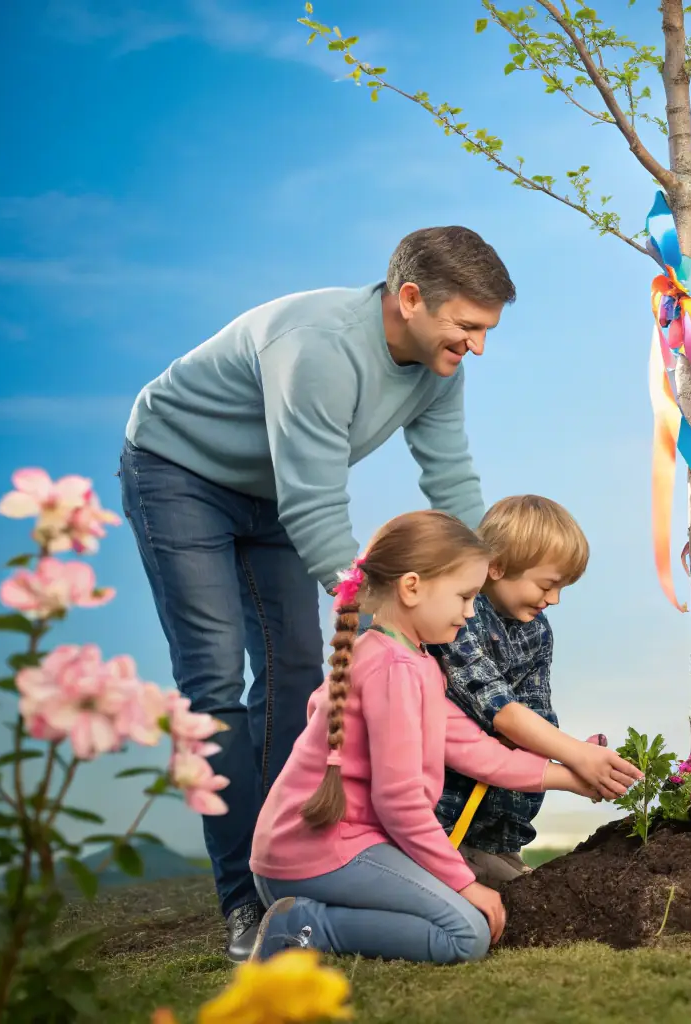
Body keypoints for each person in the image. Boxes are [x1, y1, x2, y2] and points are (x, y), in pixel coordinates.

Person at [119, 227, 514, 960]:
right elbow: (314, 503)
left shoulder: (438, 366)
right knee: (213, 680)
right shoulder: (319, 346)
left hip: (274, 491)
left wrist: (481, 588)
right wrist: (383, 612)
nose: (476, 348)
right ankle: (243, 900)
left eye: (485, 331)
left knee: (298, 673)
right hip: (179, 474)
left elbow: (450, 479)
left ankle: (297, 882)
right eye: (467, 328)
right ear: (409, 299)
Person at [248, 511, 611, 964]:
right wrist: (463, 882)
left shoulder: (414, 662)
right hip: (318, 855)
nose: (468, 612)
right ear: (412, 587)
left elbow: (473, 750)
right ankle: (303, 926)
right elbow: (399, 801)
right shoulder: (393, 668)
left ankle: (318, 913)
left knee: (460, 919)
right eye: (463, 597)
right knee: (466, 935)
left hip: (319, 853)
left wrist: (571, 777)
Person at [428, 495, 643, 890]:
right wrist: (574, 754)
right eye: (548, 585)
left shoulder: (537, 632)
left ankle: (497, 851)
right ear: (496, 567)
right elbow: (501, 710)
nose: (555, 599)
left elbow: (534, 711)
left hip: (499, 808)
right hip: (445, 807)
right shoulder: (460, 620)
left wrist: (573, 752)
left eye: (563, 587)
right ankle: (458, 857)